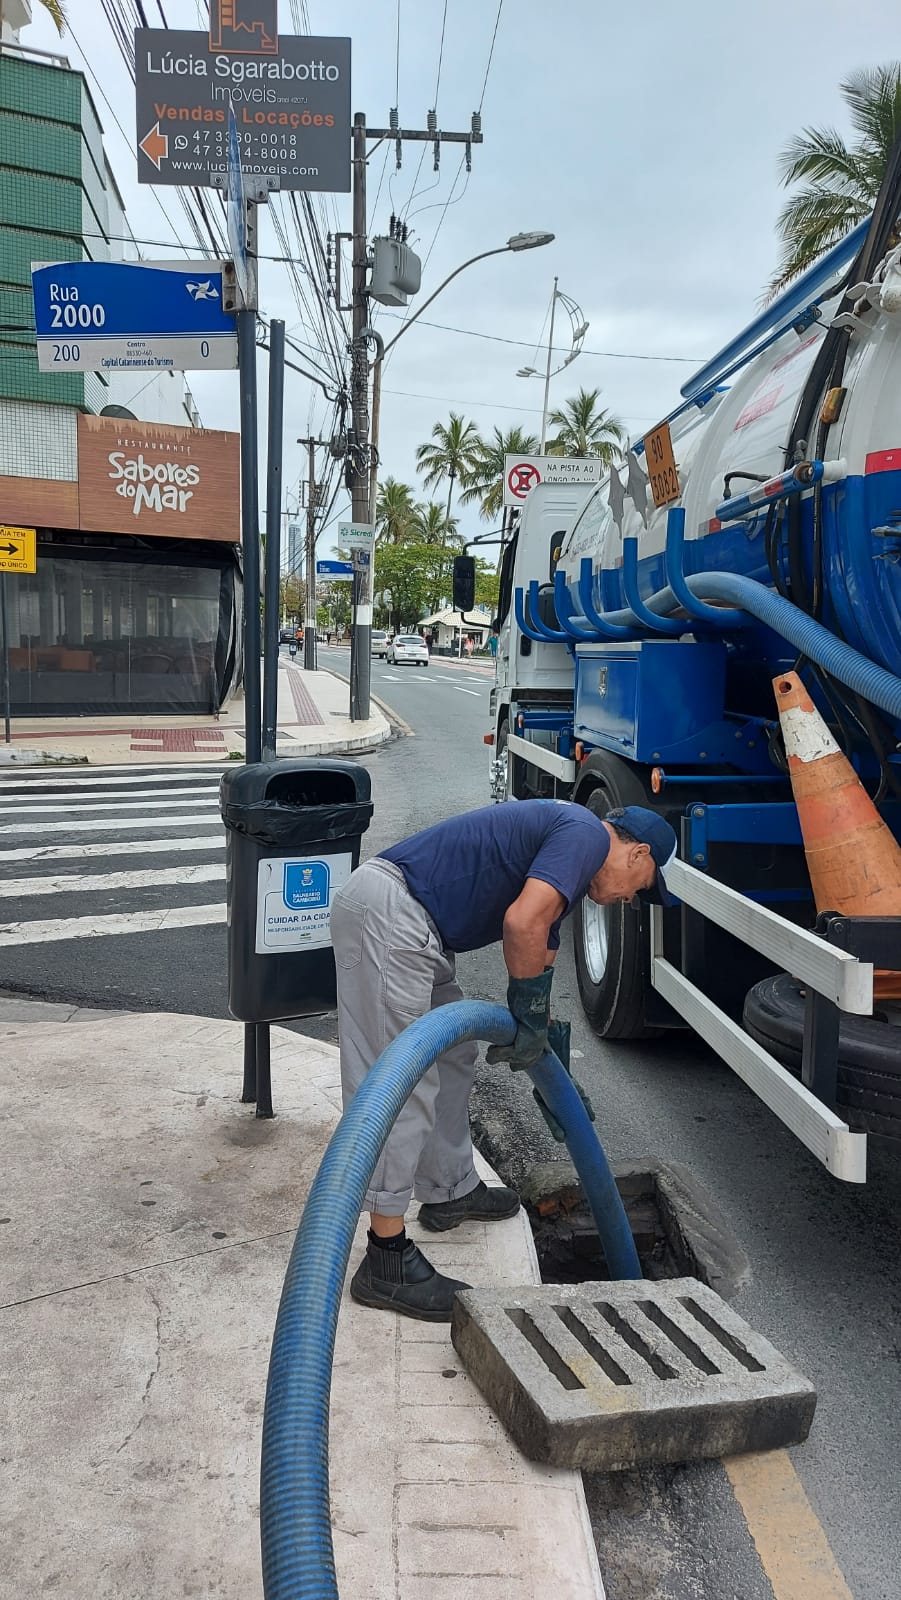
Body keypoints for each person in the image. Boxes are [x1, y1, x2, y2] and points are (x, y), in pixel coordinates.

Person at [331, 799, 678, 1321]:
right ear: (638, 852)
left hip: (412, 925)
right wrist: (526, 1011)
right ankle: (386, 1256)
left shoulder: (568, 865)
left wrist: (550, 1070)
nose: (632, 899)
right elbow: (521, 924)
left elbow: (541, 957)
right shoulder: (585, 835)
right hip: (391, 916)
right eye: (643, 886)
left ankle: (450, 1189)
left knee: (454, 1051)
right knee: (399, 1083)